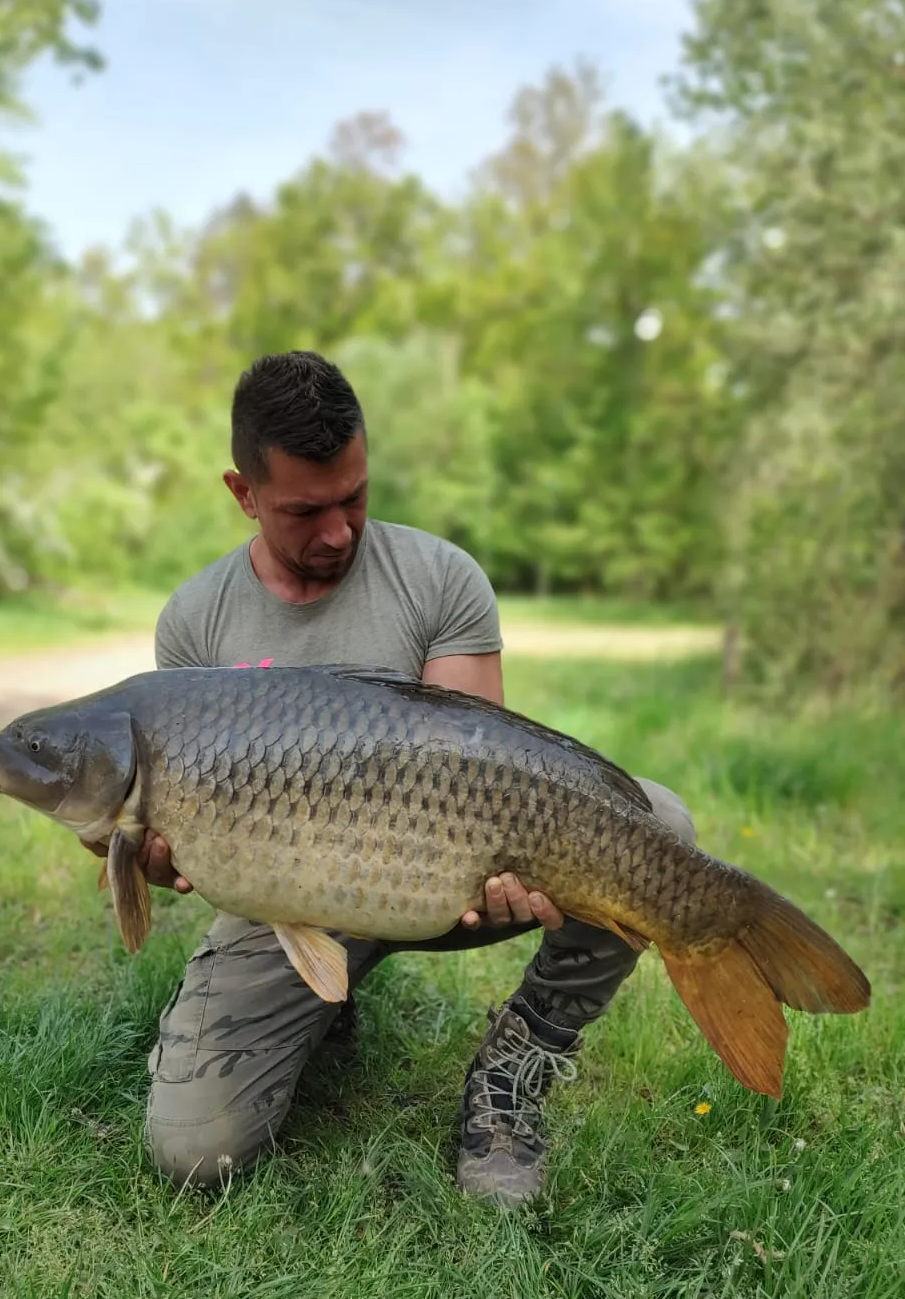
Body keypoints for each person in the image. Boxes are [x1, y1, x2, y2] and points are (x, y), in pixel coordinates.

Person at [89, 350, 696, 1209]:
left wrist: (503, 874)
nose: (339, 531)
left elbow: (480, 763)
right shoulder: (195, 623)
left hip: (433, 867)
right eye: (306, 510)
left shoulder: (439, 578)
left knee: (657, 832)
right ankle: (323, 1009)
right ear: (243, 492)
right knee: (195, 1152)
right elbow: (185, 851)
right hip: (285, 898)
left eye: (355, 498)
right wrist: (156, 859)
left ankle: (514, 1071)